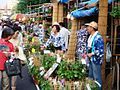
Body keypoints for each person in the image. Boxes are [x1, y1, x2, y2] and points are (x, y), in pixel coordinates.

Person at [85, 21, 104, 90]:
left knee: (97, 77)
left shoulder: (98, 37)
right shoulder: (90, 36)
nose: (87, 28)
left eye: (88, 27)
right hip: (90, 59)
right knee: (90, 75)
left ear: (92, 28)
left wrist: (92, 53)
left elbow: (100, 50)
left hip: (96, 60)